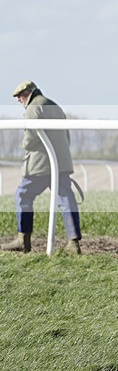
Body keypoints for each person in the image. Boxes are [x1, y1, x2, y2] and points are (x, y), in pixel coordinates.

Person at [1, 80, 82, 254]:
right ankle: (73, 242)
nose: (19, 100)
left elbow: (30, 139)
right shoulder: (55, 106)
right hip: (61, 163)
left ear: (28, 93)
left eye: (20, 97)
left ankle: (23, 239)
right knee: (66, 199)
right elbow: (66, 137)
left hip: (39, 165)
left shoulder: (33, 109)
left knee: (23, 195)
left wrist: (23, 144)